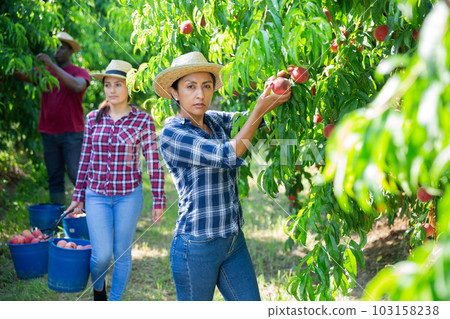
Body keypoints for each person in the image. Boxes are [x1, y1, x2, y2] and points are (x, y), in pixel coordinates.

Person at [153, 51, 291, 301]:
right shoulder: (172, 134)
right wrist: (260, 109)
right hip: (197, 246)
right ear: (174, 92)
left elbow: (250, 122)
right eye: (190, 87)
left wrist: (275, 88)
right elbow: (226, 155)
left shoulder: (214, 121)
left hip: (232, 241)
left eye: (207, 86)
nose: (200, 94)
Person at [65, 60, 166, 301]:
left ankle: (113, 303)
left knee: (121, 254)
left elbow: (153, 162)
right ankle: (98, 288)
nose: (111, 90)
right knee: (100, 256)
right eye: (107, 85)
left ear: (129, 88)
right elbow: (85, 159)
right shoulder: (93, 119)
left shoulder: (143, 121)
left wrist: (159, 200)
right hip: (96, 196)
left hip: (128, 197)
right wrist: (78, 196)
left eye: (118, 85)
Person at [13, 31, 90, 205]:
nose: (58, 50)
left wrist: (51, 65)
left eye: (62, 47)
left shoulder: (79, 72)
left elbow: (77, 86)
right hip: (49, 133)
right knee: (54, 177)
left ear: (71, 52)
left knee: (76, 174)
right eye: (56, 46)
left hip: (72, 134)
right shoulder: (43, 73)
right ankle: (59, 218)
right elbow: (18, 73)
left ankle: (86, 214)